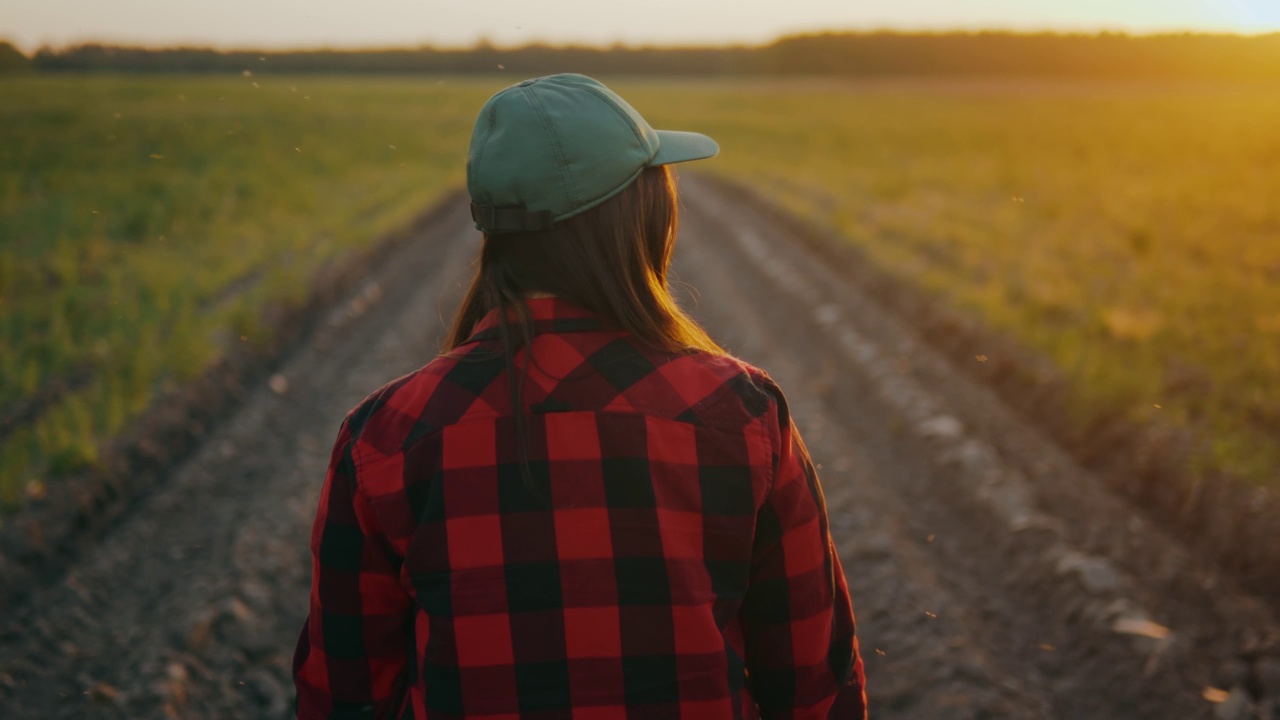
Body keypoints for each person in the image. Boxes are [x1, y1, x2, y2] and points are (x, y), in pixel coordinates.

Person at [293, 73, 866, 719]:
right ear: (638, 216)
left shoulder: (386, 436)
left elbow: (341, 698)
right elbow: (816, 689)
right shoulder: (741, 413)